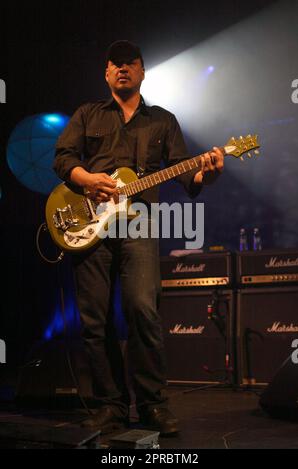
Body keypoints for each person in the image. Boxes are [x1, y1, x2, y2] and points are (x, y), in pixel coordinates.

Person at [53, 40, 224, 436]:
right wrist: (85, 178)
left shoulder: (162, 120)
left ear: (143, 71)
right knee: (95, 320)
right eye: (114, 63)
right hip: (89, 224)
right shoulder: (87, 113)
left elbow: (186, 173)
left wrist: (208, 172)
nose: (122, 67)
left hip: (140, 224)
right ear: (106, 73)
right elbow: (63, 157)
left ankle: (153, 405)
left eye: (130, 62)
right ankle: (110, 407)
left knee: (142, 310)